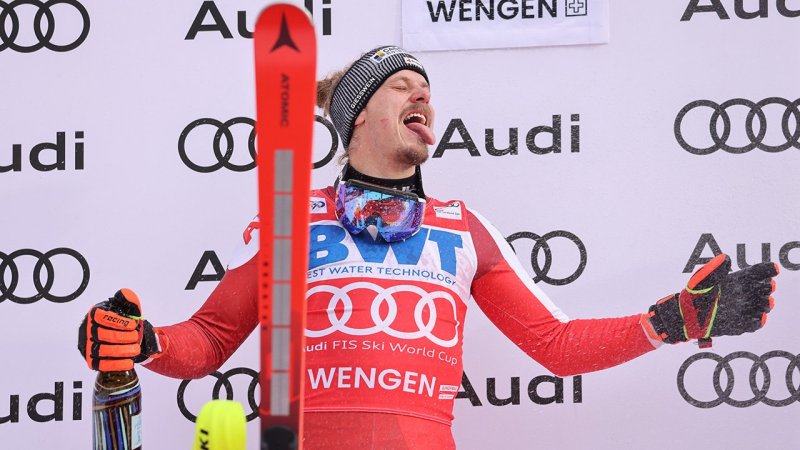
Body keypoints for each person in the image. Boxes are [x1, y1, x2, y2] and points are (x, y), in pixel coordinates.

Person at [77, 46, 780, 449]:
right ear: (356, 117)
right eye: (402, 87)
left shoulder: (461, 226)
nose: (425, 100)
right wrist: (141, 342)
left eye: (428, 92)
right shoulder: (295, 219)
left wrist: (675, 321)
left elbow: (556, 345)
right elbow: (208, 339)